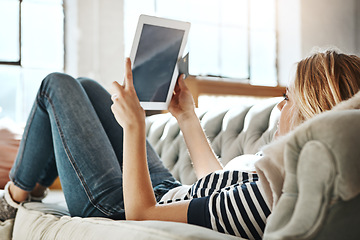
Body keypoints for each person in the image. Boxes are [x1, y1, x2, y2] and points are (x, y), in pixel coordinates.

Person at [1, 49, 360, 239]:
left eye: (288, 97)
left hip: (122, 206)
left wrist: (135, 129)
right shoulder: (280, 173)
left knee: (57, 85)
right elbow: (215, 182)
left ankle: (12, 199)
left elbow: (141, 214)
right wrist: (186, 114)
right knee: (89, 87)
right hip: (166, 190)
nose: (280, 106)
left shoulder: (268, 198)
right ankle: (27, 188)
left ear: (311, 113)